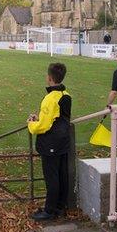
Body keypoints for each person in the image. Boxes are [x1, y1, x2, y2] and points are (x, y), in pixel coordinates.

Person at [27, 63, 71, 221]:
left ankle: (49, 211)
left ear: (49, 78)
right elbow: (56, 118)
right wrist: (41, 119)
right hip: (63, 142)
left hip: (51, 143)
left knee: (52, 177)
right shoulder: (66, 94)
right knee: (62, 175)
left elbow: (44, 126)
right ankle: (60, 206)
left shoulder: (50, 98)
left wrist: (31, 124)